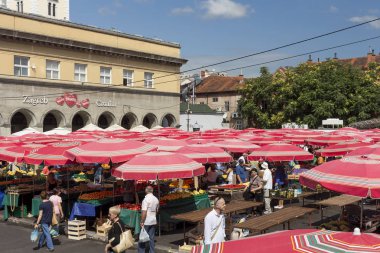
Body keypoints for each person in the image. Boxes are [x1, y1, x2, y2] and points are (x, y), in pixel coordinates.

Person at [138, 186, 159, 253]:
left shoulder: (145, 200)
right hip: (153, 220)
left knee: (142, 238)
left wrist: (142, 221)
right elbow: (157, 210)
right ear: (152, 191)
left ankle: (141, 251)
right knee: (151, 238)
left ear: (146, 191)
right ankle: (152, 251)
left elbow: (144, 212)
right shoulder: (156, 199)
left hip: (146, 221)